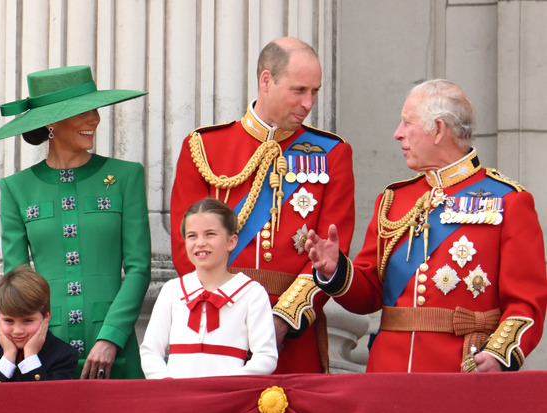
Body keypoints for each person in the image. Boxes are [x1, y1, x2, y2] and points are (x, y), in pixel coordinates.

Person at [305, 79, 547, 372]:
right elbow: (369, 296)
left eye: (407, 123)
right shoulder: (393, 200)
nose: (397, 133)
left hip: (460, 373)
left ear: (438, 130)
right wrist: (336, 270)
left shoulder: (508, 200)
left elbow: (526, 304)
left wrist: (498, 355)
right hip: (387, 374)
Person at [170, 37, 355, 373]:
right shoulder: (204, 147)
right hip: (216, 324)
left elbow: (329, 253)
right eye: (299, 90)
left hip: (291, 333)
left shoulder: (332, 154)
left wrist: (283, 320)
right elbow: (187, 247)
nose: (308, 102)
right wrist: (228, 313)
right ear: (266, 80)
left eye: (315, 91)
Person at [0, 65, 150, 379]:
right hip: (44, 349)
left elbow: (139, 267)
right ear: (50, 121)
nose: (95, 120)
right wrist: (30, 339)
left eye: (95, 110)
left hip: (114, 348)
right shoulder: (16, 188)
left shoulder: (125, 177)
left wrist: (111, 336)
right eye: (82, 112)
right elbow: (17, 280)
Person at [140, 199, 277, 378]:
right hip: (176, 397)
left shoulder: (252, 293)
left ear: (231, 241)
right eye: (192, 236)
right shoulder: (172, 290)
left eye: (210, 234)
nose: (200, 243)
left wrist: (227, 383)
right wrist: (166, 382)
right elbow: (150, 351)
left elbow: (266, 357)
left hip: (227, 398)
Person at [0, 265, 78, 382]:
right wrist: (8, 357)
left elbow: (51, 398)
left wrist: (31, 357)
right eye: (8, 320)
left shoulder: (62, 355)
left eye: (28, 321)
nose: (18, 330)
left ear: (46, 316)